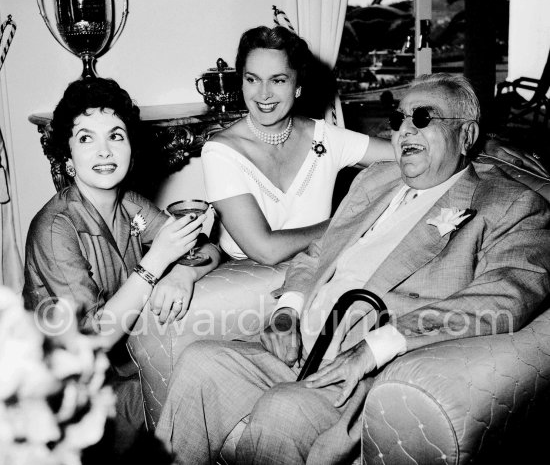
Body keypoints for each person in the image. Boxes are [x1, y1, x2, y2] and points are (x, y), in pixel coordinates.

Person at [156, 73, 550, 464]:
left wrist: (376, 348)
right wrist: (287, 310)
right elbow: (318, 252)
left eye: (424, 119)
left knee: (283, 410)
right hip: (297, 350)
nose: (405, 132)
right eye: (399, 121)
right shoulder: (376, 179)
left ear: (466, 135)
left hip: (361, 375)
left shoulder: (510, 205)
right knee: (198, 362)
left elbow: (503, 300)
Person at [203, 26, 549, 265]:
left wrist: (488, 149)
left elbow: (411, 154)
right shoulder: (222, 152)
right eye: (252, 79)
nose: (262, 94)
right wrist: (355, 223)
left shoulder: (324, 137)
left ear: (297, 86)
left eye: (277, 80)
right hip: (246, 277)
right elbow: (264, 250)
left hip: (320, 266)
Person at [23, 77, 220, 457]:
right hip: (70, 400)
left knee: (211, 375)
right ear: (67, 156)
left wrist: (183, 272)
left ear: (130, 146)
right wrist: (157, 262)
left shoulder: (131, 205)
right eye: (85, 139)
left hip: (129, 370)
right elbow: (92, 339)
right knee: (197, 391)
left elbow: (208, 248)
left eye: (115, 136)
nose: (104, 151)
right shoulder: (53, 227)